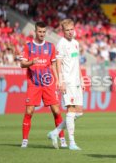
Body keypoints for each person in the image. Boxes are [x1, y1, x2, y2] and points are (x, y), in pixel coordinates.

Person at [20, 21, 67, 148]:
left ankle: (62, 139)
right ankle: (25, 140)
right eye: (39, 32)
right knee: (29, 111)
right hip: (34, 83)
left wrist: (58, 80)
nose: (41, 34)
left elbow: (53, 65)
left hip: (48, 83)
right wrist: (31, 62)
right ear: (35, 32)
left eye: (43, 32)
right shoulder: (28, 46)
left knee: (56, 111)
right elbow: (22, 64)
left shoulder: (50, 47)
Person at [47, 19, 84, 150]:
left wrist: (81, 78)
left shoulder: (76, 43)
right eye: (67, 30)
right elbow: (58, 64)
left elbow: (77, 62)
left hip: (77, 81)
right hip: (67, 81)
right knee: (71, 111)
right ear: (63, 31)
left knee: (79, 113)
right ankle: (72, 142)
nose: (70, 32)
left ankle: (55, 132)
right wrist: (60, 81)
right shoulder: (61, 44)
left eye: (71, 29)